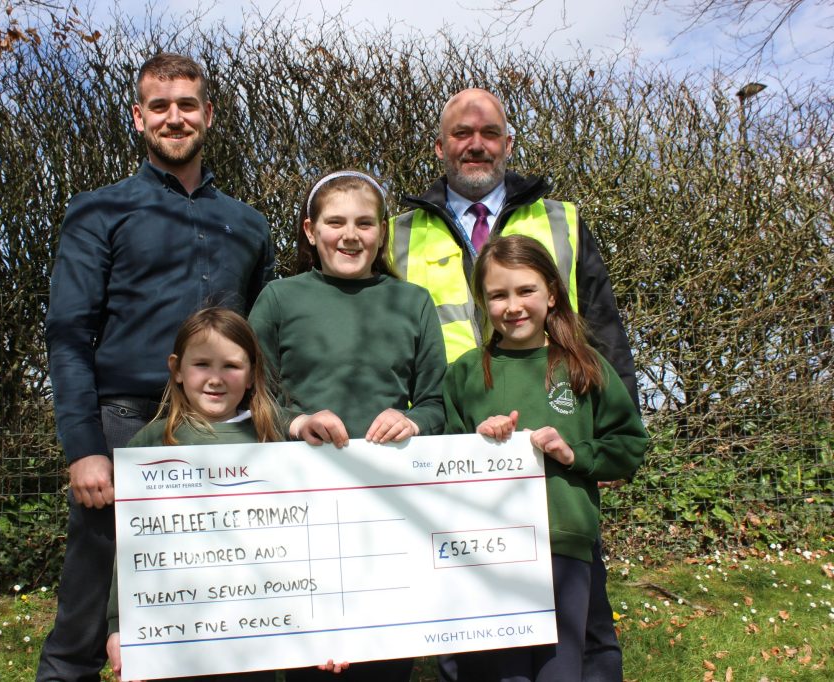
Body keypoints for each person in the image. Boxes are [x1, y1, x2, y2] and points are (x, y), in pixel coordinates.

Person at [40, 53, 275, 682]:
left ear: (209, 115)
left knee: (218, 590)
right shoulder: (98, 212)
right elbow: (68, 334)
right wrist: (83, 447)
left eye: (188, 105)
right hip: (125, 425)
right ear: (140, 117)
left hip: (225, 428)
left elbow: (262, 337)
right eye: (161, 106)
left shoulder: (250, 224)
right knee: (91, 600)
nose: (176, 117)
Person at [389, 88, 638, 682]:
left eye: (490, 133)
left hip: (557, 469)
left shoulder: (559, 218)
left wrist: (609, 429)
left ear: (507, 141)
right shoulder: (399, 232)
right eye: (461, 134)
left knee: (581, 633)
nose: (476, 144)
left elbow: (601, 323)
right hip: (459, 452)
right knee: (473, 640)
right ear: (440, 146)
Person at [249, 170, 447, 682]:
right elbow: (254, 396)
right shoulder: (277, 299)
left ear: (382, 231)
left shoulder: (414, 302)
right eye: (335, 222)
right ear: (311, 231)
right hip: (299, 503)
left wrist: (412, 421)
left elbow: (435, 403)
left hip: (387, 505)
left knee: (384, 655)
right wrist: (297, 422)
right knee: (314, 659)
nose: (350, 235)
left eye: (364, 222)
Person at [443, 235, 648, 681]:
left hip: (567, 547)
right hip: (490, 553)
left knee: (564, 669)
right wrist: (476, 445)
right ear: (482, 302)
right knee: (502, 672)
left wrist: (574, 454)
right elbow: (440, 460)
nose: (512, 305)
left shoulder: (585, 365)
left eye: (526, 291)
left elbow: (629, 445)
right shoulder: (464, 373)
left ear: (552, 294)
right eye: (498, 295)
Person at [103, 307, 344, 681]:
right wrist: (120, 626)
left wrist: (329, 626)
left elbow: (316, 542)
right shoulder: (148, 445)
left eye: (231, 366)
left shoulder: (277, 439)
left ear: (251, 375)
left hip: (257, 639)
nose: (216, 379)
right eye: (202, 364)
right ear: (177, 369)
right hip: (173, 636)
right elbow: (132, 549)